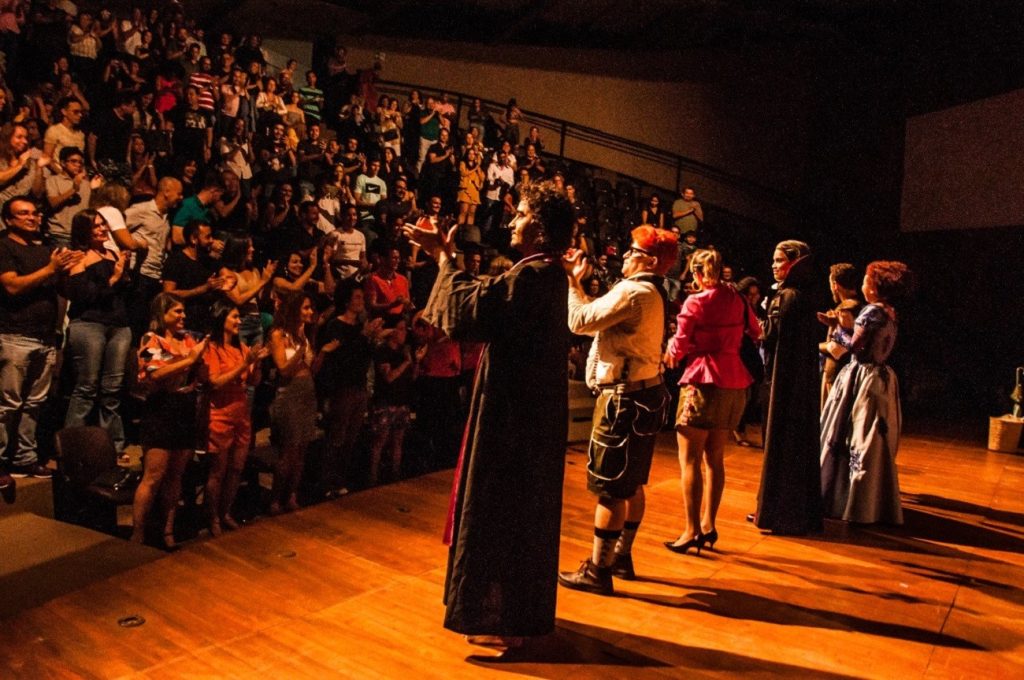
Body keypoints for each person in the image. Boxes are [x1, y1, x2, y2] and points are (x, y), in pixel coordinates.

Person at [404, 180, 573, 650]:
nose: (513, 220)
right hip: (525, 416)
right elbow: (484, 297)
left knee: (501, 513)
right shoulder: (543, 275)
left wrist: (444, 259)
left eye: (521, 214)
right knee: (513, 513)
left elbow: (474, 309)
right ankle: (510, 615)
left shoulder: (535, 276)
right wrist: (446, 257)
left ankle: (503, 620)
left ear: (540, 228)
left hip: (514, 422)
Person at [557, 225, 676, 595]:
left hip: (624, 398)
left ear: (650, 261)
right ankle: (621, 556)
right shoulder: (655, 292)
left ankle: (599, 570)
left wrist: (572, 281)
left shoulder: (633, 291)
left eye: (632, 250)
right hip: (647, 392)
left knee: (610, 489)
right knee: (632, 482)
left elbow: (579, 321)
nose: (625, 254)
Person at [662, 249, 762, 555]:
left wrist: (671, 350)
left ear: (696, 273)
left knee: (690, 460)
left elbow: (679, 347)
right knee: (715, 458)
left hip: (703, 379)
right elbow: (756, 331)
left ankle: (691, 530)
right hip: (734, 381)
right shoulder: (738, 298)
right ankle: (708, 525)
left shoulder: (695, 302)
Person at [820, 261, 912, 525]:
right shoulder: (890, 311)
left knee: (852, 435)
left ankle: (848, 499)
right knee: (874, 439)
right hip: (882, 377)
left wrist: (839, 330)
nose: (862, 285)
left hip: (862, 376)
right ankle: (874, 500)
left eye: (865, 280)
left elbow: (855, 348)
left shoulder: (870, 312)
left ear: (873, 286)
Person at [0, 196, 82, 480]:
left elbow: (65, 292)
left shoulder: (47, 249)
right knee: (8, 404)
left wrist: (69, 271)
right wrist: (50, 269)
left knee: (34, 404)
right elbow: (11, 286)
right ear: (8, 220)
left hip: (45, 338)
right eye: (23, 213)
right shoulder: (4, 247)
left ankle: (24, 457)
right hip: (14, 335)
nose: (32, 217)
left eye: (35, 213)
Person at [751, 240, 824, 535]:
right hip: (798, 381)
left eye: (779, 260)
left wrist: (759, 321)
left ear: (794, 263)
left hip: (784, 382)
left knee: (782, 442)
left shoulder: (787, 296)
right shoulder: (803, 294)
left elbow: (770, 336)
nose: (774, 265)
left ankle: (779, 513)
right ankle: (788, 511)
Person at [131, 293, 209, 549]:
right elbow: (155, 374)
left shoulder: (188, 339)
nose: (183, 316)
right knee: (154, 476)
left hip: (185, 407)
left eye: (183, 311)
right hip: (161, 408)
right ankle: (138, 532)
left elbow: (201, 374)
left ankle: (167, 530)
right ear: (162, 314)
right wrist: (189, 359)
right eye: (177, 311)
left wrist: (201, 360)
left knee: (176, 475)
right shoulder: (151, 339)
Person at [63, 210, 132, 454]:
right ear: (84, 230)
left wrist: (124, 273)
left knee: (112, 390)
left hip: (118, 325)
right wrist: (115, 277)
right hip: (89, 324)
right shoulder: (78, 257)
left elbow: (124, 292)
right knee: (87, 387)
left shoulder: (112, 253)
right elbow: (83, 296)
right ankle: (72, 446)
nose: (103, 229)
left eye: (104, 224)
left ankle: (112, 446)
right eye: (96, 226)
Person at [204, 301, 267, 535]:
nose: (239, 321)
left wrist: (256, 363)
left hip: (241, 413)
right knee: (218, 470)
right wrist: (244, 364)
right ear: (221, 318)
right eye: (234, 317)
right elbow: (215, 382)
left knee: (236, 468)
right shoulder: (211, 348)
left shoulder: (240, 347)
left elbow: (253, 381)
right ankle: (212, 517)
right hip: (220, 413)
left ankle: (225, 512)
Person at [314, 282, 383, 497]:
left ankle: (341, 479)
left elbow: (366, 356)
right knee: (337, 436)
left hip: (359, 385)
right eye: (357, 297)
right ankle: (326, 482)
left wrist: (373, 338)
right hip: (342, 387)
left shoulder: (360, 325)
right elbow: (341, 358)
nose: (361, 301)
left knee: (351, 437)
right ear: (346, 301)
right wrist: (363, 335)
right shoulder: (336, 326)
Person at [267, 291, 318, 514]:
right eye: (305, 307)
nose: (310, 312)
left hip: (307, 391)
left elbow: (311, 368)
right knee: (289, 449)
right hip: (289, 393)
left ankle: (292, 495)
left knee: (302, 449)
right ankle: (275, 499)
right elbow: (283, 369)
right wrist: (300, 352)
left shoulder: (304, 333)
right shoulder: (279, 334)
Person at [368, 318, 416, 486]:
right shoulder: (383, 351)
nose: (404, 333)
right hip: (385, 401)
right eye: (401, 329)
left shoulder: (404, 351)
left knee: (398, 440)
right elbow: (389, 377)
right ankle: (372, 478)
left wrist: (415, 361)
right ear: (392, 332)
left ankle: (395, 475)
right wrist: (406, 363)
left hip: (402, 400)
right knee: (380, 441)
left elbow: (412, 377)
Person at [819, 263, 862, 408]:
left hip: (839, 374)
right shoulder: (857, 306)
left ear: (835, 285)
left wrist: (814, 346)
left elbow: (839, 348)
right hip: (845, 373)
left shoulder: (846, 309)